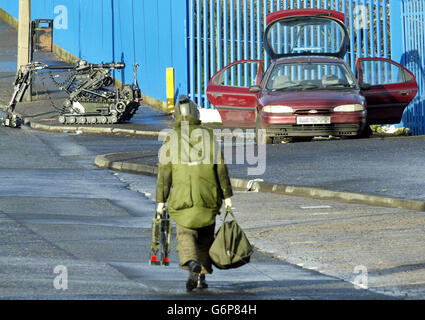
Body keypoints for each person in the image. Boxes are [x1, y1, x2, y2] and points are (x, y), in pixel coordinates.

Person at [156, 95, 233, 292]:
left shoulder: (171, 139)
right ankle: (202, 278)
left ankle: (191, 263)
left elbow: (164, 173)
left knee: (185, 233)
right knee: (206, 236)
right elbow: (220, 168)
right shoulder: (208, 135)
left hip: (182, 199)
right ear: (195, 112)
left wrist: (161, 201)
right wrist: (227, 196)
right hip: (209, 196)